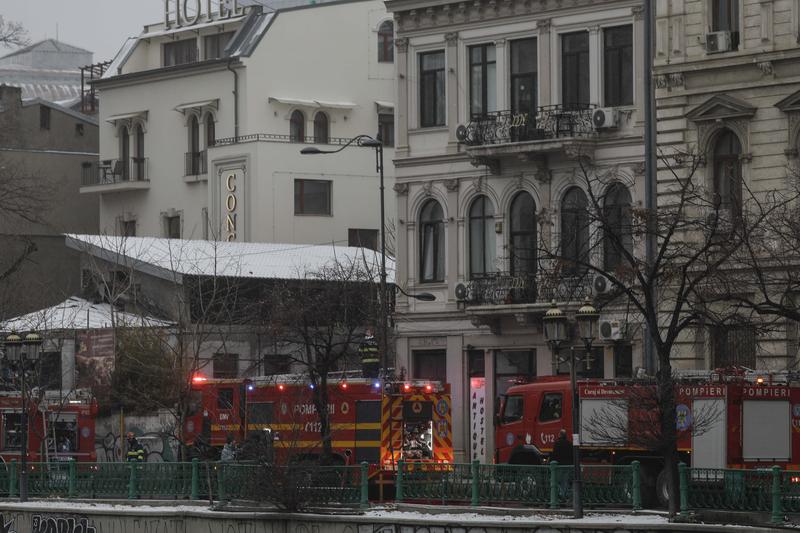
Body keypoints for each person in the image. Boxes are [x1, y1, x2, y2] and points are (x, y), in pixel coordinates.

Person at [550, 429, 574, 498]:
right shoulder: (569, 443)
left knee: (557, 481)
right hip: (568, 465)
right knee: (565, 481)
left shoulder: (557, 444)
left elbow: (554, 455)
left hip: (559, 465)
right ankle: (565, 495)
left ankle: (560, 495)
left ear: (560, 435)